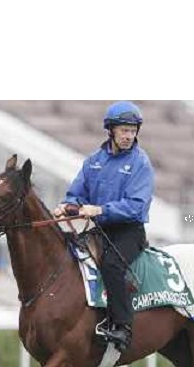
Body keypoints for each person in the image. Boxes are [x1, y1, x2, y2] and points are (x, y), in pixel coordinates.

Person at [54, 101, 155, 352]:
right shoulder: (93, 162)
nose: (129, 136)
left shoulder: (141, 163)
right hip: (100, 231)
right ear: (111, 130)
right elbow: (76, 193)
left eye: (133, 131)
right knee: (70, 256)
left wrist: (100, 210)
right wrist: (67, 206)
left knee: (111, 265)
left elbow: (136, 206)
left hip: (128, 231)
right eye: (124, 131)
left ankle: (122, 327)